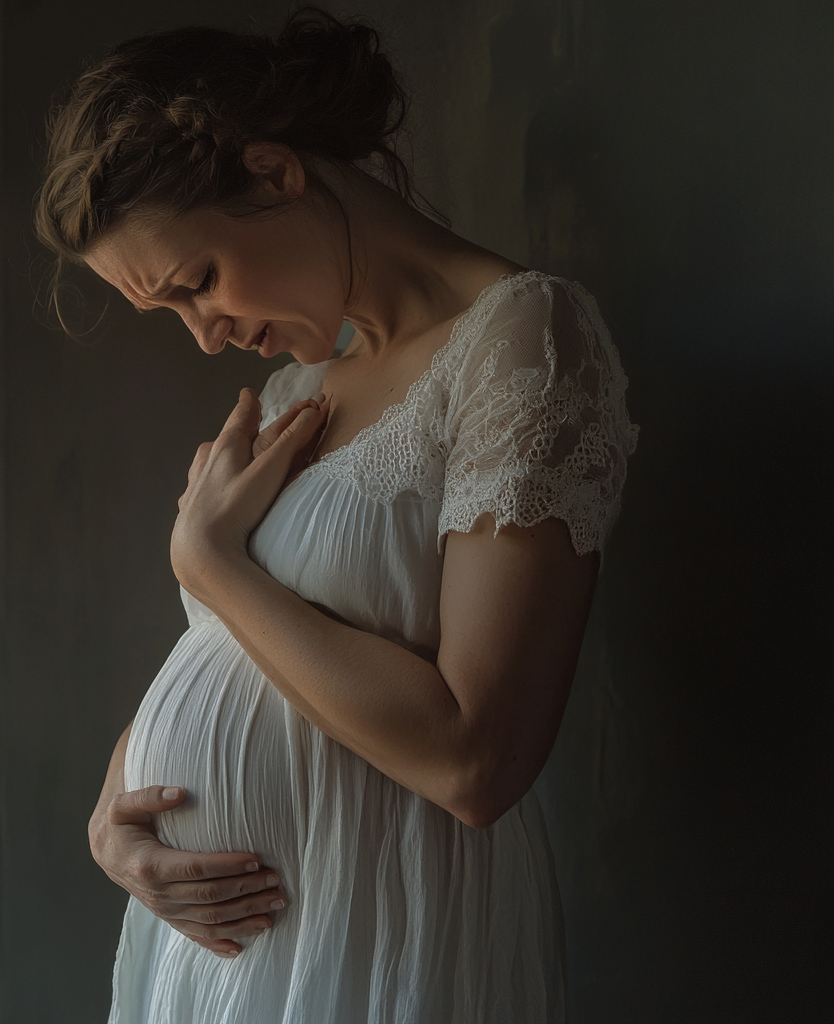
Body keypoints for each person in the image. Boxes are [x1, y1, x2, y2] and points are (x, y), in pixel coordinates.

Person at [35, 10, 638, 1023]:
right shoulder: (291, 393)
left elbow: (473, 757)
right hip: (216, 953)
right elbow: (235, 652)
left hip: (383, 921)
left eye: (199, 285)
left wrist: (209, 558)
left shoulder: (522, 340)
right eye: (171, 313)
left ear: (273, 172)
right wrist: (112, 815)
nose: (204, 335)